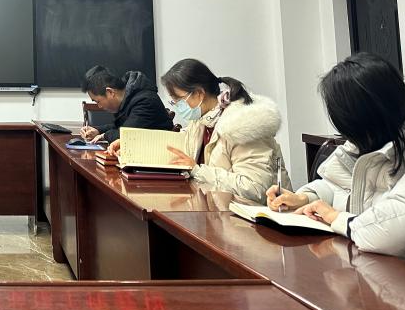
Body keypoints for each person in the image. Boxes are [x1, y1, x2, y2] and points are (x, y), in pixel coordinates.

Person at [268, 53, 405, 272]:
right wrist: (306, 198)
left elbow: (403, 224)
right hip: (381, 274)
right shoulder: (372, 135)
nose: (350, 138)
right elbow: (339, 184)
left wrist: (338, 218)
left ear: (367, 118)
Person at [110, 58, 289, 204]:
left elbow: (256, 189)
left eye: (178, 100)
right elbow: (177, 145)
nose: (177, 106)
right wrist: (131, 145)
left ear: (198, 94)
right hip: (221, 213)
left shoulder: (243, 125)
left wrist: (196, 170)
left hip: (261, 220)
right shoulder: (201, 120)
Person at [79, 66, 173, 143]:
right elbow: (120, 126)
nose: (99, 106)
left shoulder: (145, 101)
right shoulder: (128, 98)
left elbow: (127, 134)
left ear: (110, 92)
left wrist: (104, 136)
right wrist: (98, 130)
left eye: (98, 101)